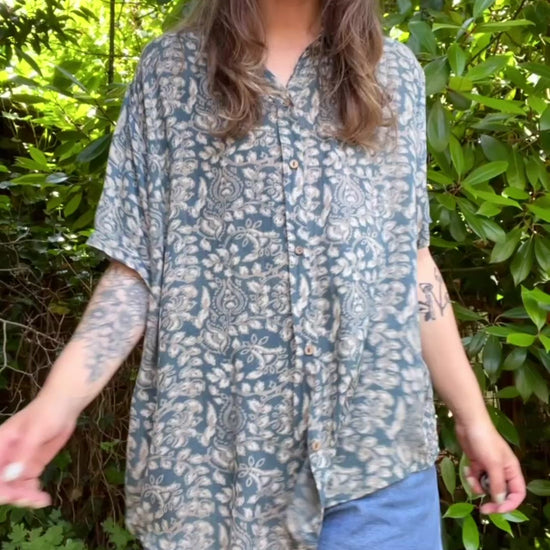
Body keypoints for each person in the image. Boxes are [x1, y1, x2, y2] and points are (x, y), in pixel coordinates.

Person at [0, 0, 526, 548]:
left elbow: (409, 260)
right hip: (218, 476)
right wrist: (54, 407)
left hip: (377, 468)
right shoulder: (169, 75)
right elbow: (136, 270)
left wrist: (473, 419)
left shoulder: (393, 74)